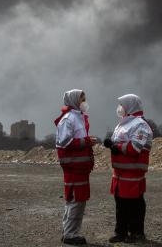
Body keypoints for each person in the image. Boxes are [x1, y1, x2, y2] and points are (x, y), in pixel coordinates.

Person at [103, 94, 153, 244]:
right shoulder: (123, 123)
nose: (120, 108)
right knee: (120, 205)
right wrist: (111, 143)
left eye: (122, 105)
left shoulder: (140, 125)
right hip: (119, 173)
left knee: (134, 205)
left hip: (133, 173)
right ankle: (121, 232)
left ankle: (136, 233)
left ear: (130, 106)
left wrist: (116, 147)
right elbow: (118, 143)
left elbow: (135, 147)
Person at [55, 89, 97, 245]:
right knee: (76, 200)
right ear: (73, 101)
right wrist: (86, 141)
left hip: (80, 168)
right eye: (81, 99)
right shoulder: (68, 119)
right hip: (74, 167)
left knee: (77, 200)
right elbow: (64, 142)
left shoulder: (78, 117)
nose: (84, 102)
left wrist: (86, 142)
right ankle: (70, 235)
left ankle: (68, 232)